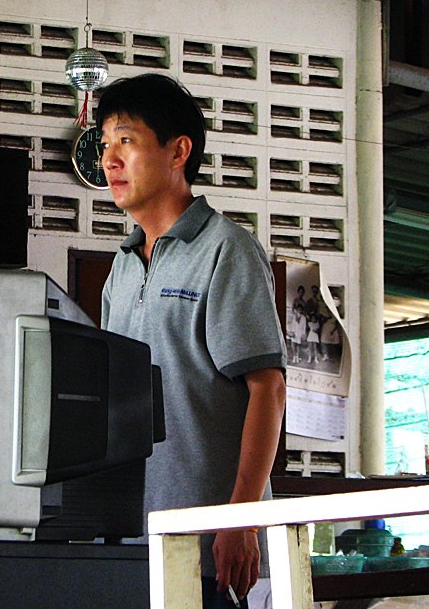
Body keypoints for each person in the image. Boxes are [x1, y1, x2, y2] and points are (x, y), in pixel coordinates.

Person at [97, 73, 287, 609]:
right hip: (134, 540)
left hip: (215, 550)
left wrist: (240, 519)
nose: (110, 160)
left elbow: (267, 388)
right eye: (106, 144)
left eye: (127, 141)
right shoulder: (121, 266)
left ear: (178, 151)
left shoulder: (227, 250)